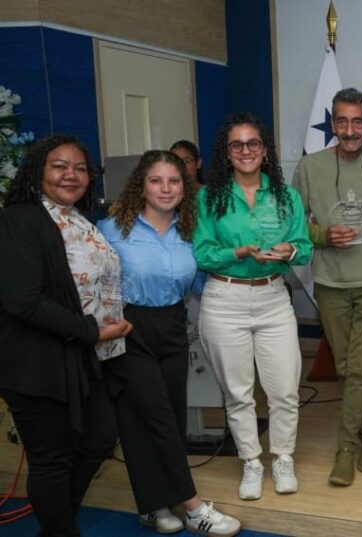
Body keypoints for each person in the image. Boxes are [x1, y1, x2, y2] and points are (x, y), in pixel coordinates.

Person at [98, 150, 241, 535]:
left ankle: (152, 504)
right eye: (156, 180)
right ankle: (194, 508)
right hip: (128, 328)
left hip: (173, 324)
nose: (165, 188)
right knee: (156, 417)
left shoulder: (190, 230)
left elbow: (200, 283)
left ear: (185, 186)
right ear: (140, 186)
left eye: (174, 181)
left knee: (167, 418)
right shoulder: (111, 229)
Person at [0, 134, 131, 536]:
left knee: (97, 441)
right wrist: (92, 331)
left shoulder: (78, 218)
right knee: (52, 458)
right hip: (36, 361)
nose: (70, 175)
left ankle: (57, 524)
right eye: (59, 166)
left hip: (83, 355)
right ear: (38, 171)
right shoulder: (20, 219)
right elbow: (22, 301)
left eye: (79, 168)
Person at [193, 112, 312, 500]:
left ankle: (282, 458)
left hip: (273, 297)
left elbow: (305, 248)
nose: (246, 151)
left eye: (253, 144)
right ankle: (251, 461)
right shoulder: (208, 196)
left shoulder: (285, 195)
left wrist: (289, 249)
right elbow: (202, 254)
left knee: (285, 390)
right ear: (226, 153)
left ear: (265, 150)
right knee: (238, 392)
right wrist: (237, 251)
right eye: (237, 145)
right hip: (224, 299)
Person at [293, 88, 362, 486]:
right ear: (331, 124)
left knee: (360, 367)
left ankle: (346, 447)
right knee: (347, 367)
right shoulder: (310, 166)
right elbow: (292, 222)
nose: (349, 130)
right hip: (331, 283)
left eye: (357, 122)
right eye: (341, 121)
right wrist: (321, 234)